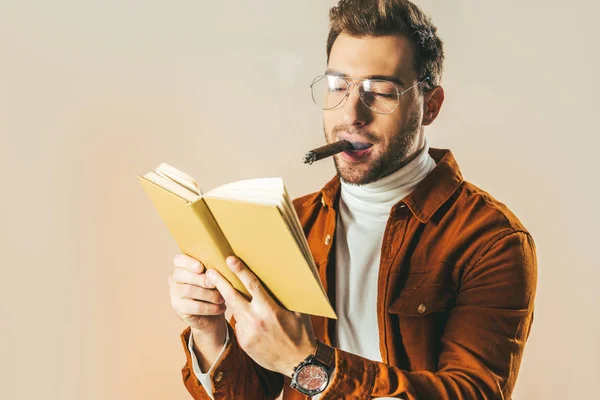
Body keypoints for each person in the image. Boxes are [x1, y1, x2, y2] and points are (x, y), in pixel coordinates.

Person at [167, 0, 538, 398]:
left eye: (379, 91)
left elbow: (473, 393)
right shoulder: (295, 223)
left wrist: (305, 363)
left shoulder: (491, 241)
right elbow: (252, 390)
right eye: (338, 86)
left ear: (430, 106)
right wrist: (210, 330)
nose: (351, 113)